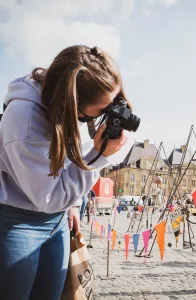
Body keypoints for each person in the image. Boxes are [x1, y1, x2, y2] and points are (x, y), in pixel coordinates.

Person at [0, 45, 129, 300]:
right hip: (19, 224)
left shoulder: (63, 105)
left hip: (57, 221)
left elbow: (66, 161)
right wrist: (100, 155)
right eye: (101, 111)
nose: (108, 115)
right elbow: (50, 196)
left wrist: (74, 203)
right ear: (72, 101)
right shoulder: (24, 120)